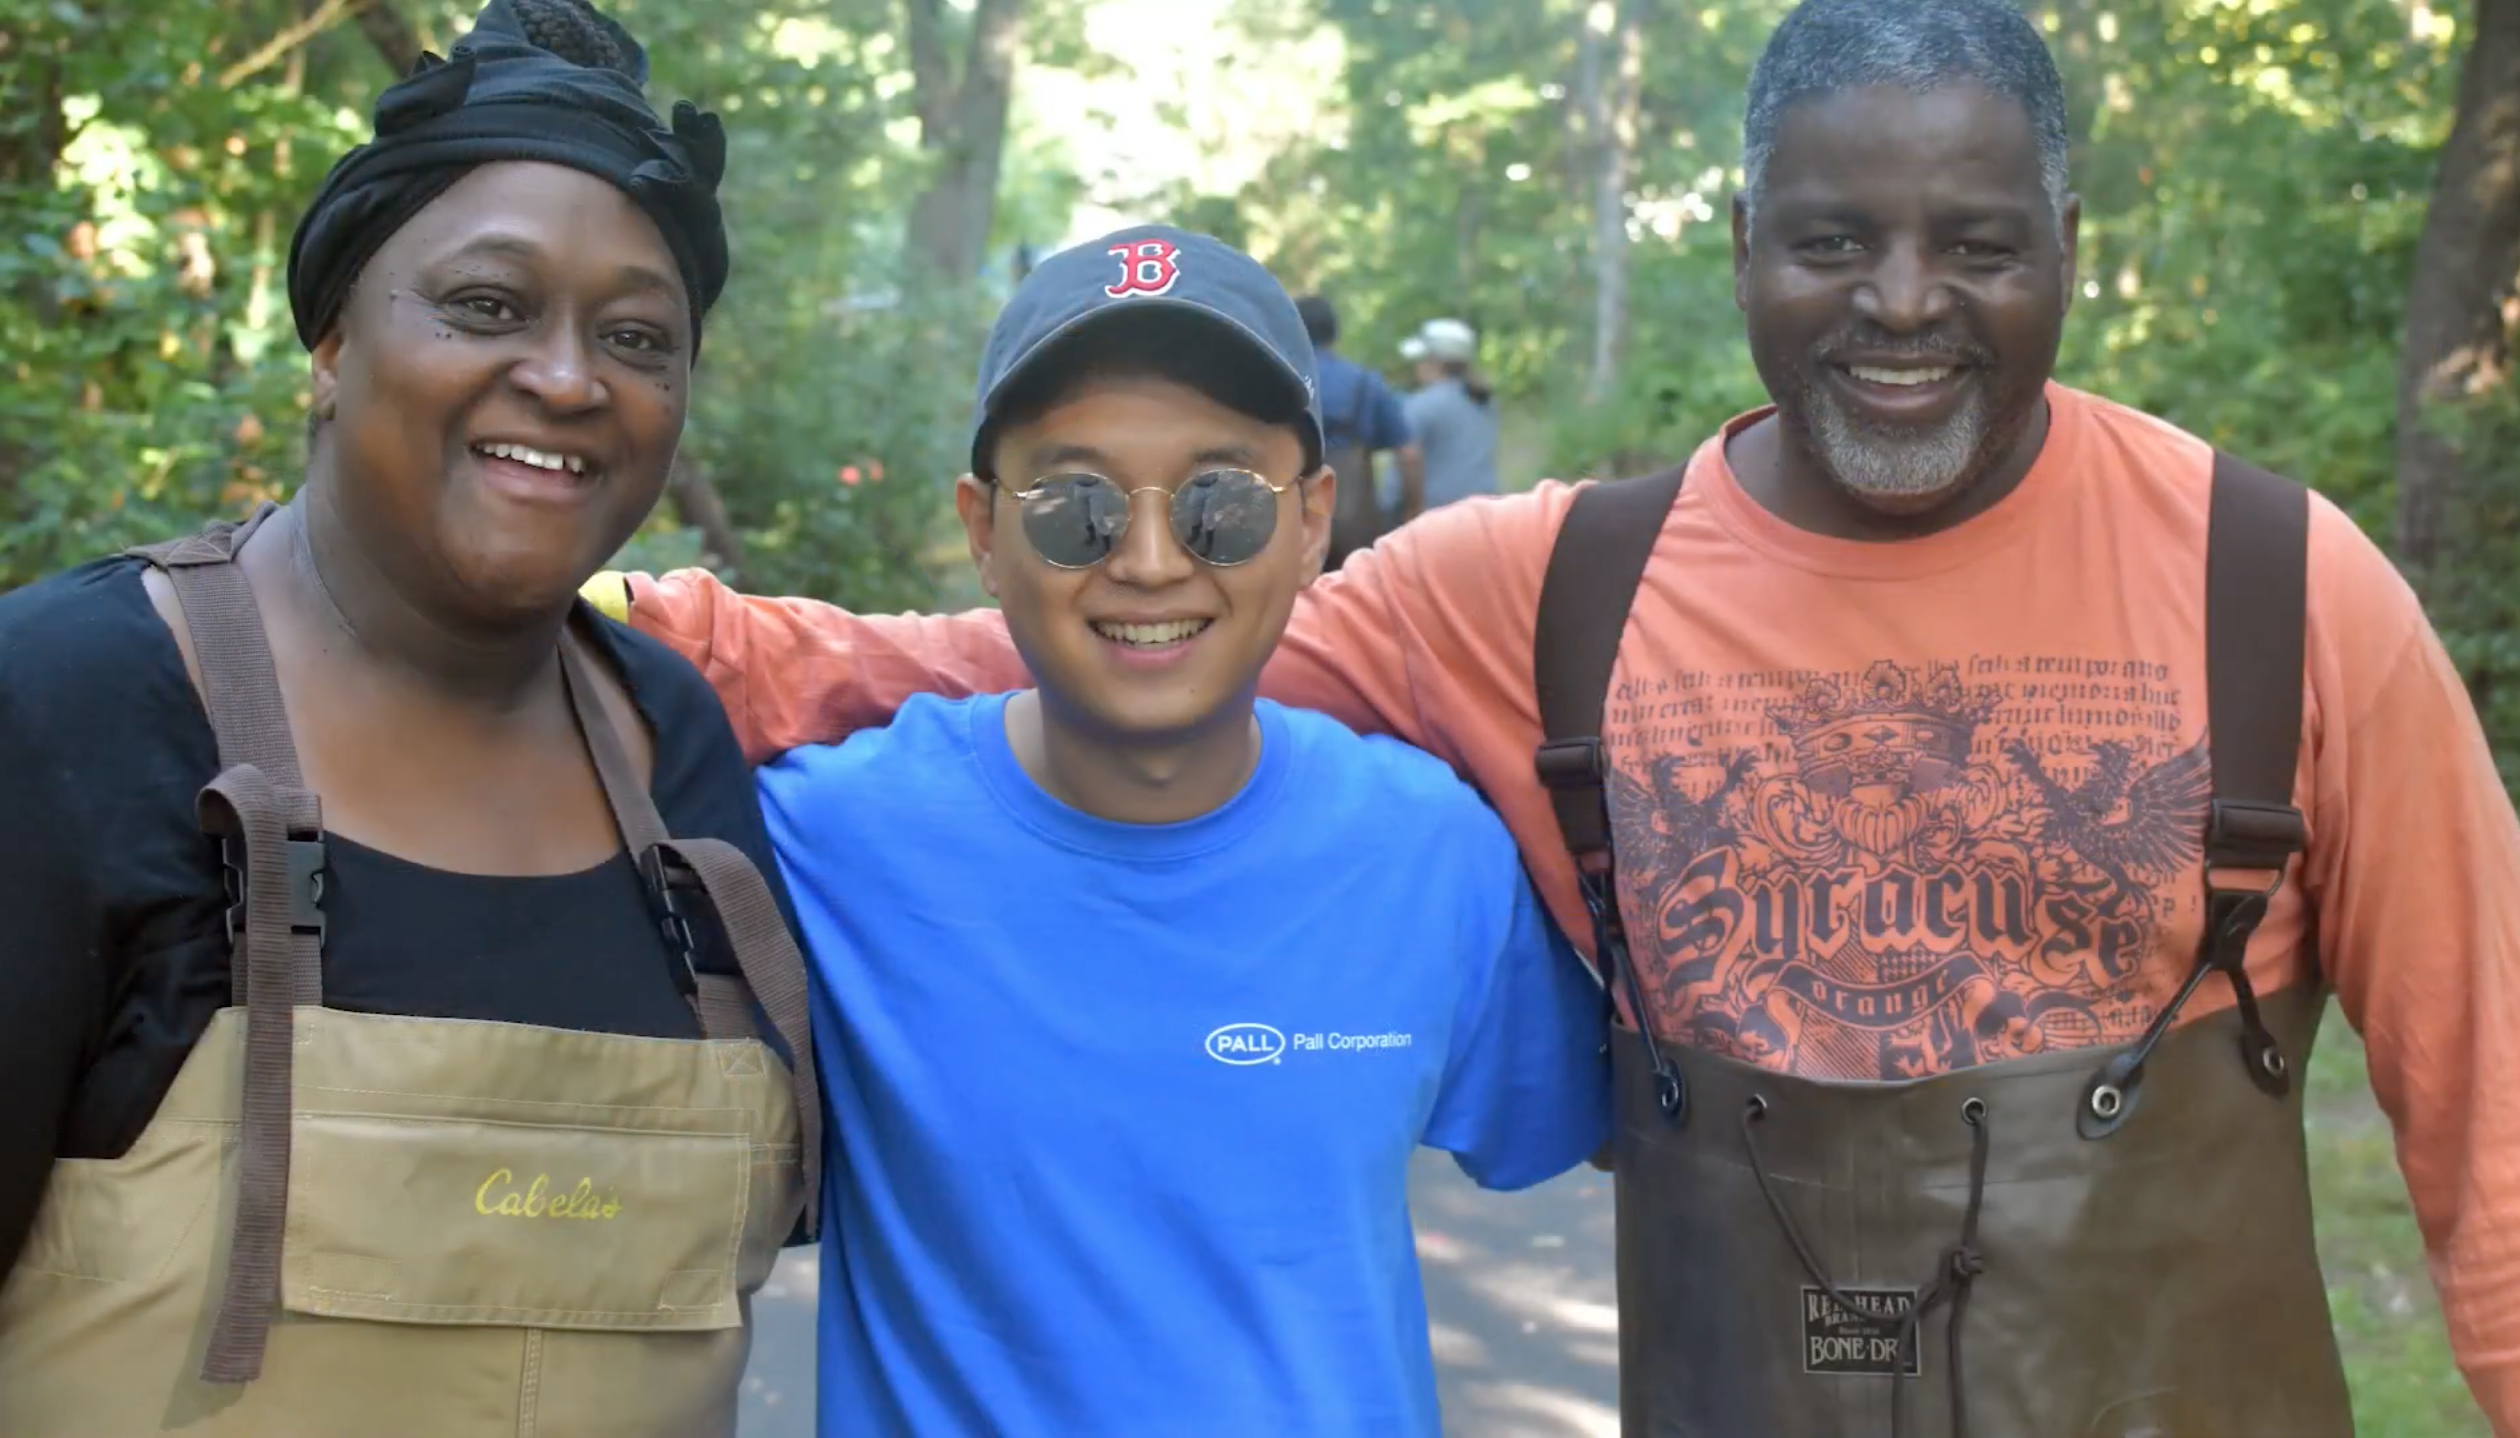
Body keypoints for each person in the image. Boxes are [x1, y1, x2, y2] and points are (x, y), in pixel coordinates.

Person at [588, 0, 2520, 1432]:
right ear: (1745, 235)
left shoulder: (2283, 591)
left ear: (2070, 238)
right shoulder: (1533, 590)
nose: (1905, 304)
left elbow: (2498, 1113)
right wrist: (610, 622)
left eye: (1981, 245)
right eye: (1837, 238)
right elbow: (1091, 650)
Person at [0, 3, 818, 1434]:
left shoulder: (676, 746)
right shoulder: (71, 706)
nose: (568, 378)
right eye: (488, 306)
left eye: (636, 335)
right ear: (328, 344)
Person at [757, 224, 1610, 1436]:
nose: (1150, 563)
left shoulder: (1435, 855)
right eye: (1074, 508)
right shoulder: (820, 841)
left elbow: (1627, 1143)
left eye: (1220, 502)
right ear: (983, 531)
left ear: (1314, 522)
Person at [1297, 292, 1423, 568]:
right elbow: (1409, 453)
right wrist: (1412, 508)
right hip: (1354, 518)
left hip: (1295, 522)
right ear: (1335, 333)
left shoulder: (1282, 380)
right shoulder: (1366, 383)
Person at [1399, 317, 1501, 510]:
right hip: (1488, 509)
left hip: (1438, 515)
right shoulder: (1484, 400)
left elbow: (1408, 459)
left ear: (1435, 362)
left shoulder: (1420, 406)